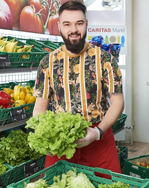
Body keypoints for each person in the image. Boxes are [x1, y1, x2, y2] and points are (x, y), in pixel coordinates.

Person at [33, 1, 124, 176]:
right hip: (60, 142)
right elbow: (39, 108)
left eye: (79, 23)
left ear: (86, 25)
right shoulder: (47, 62)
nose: (73, 29)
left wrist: (98, 132)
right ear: (59, 26)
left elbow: (118, 101)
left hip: (98, 138)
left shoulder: (106, 59)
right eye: (67, 24)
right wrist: (45, 138)